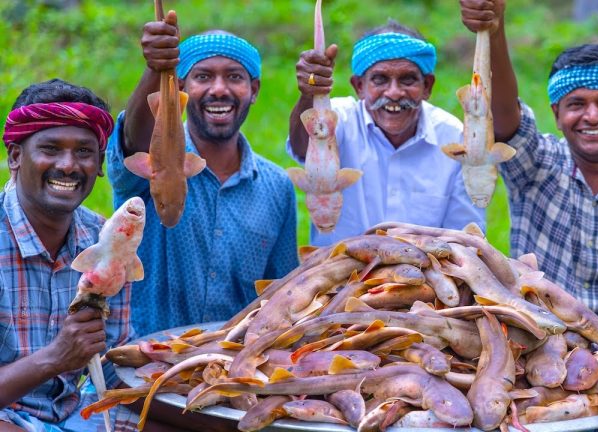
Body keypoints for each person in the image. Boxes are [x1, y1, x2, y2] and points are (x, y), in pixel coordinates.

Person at [459, 0, 598, 334]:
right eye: (576, 104)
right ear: (556, 114)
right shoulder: (536, 164)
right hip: (539, 344)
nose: (592, 116)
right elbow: (503, 113)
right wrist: (495, 29)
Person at [108, 11, 299, 336]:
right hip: (144, 359)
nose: (219, 89)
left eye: (234, 77)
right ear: (181, 87)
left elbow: (282, 292)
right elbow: (132, 139)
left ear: (254, 90)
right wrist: (155, 70)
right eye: (203, 76)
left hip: (231, 363)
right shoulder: (149, 164)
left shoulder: (277, 187)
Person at [0, 79, 137, 431]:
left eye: (84, 152)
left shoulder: (106, 240)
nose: (67, 165)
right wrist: (55, 357)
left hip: (76, 414)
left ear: (100, 164)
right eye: (50, 148)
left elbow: (113, 368)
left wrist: (193, 376)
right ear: (15, 157)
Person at [287, 19, 485, 246]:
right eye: (380, 79)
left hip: (426, 267)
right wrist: (309, 94)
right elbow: (302, 146)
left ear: (427, 86)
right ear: (359, 86)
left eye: (407, 80)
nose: (394, 93)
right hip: (339, 267)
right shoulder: (336, 119)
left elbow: (464, 237)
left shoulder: (455, 138)